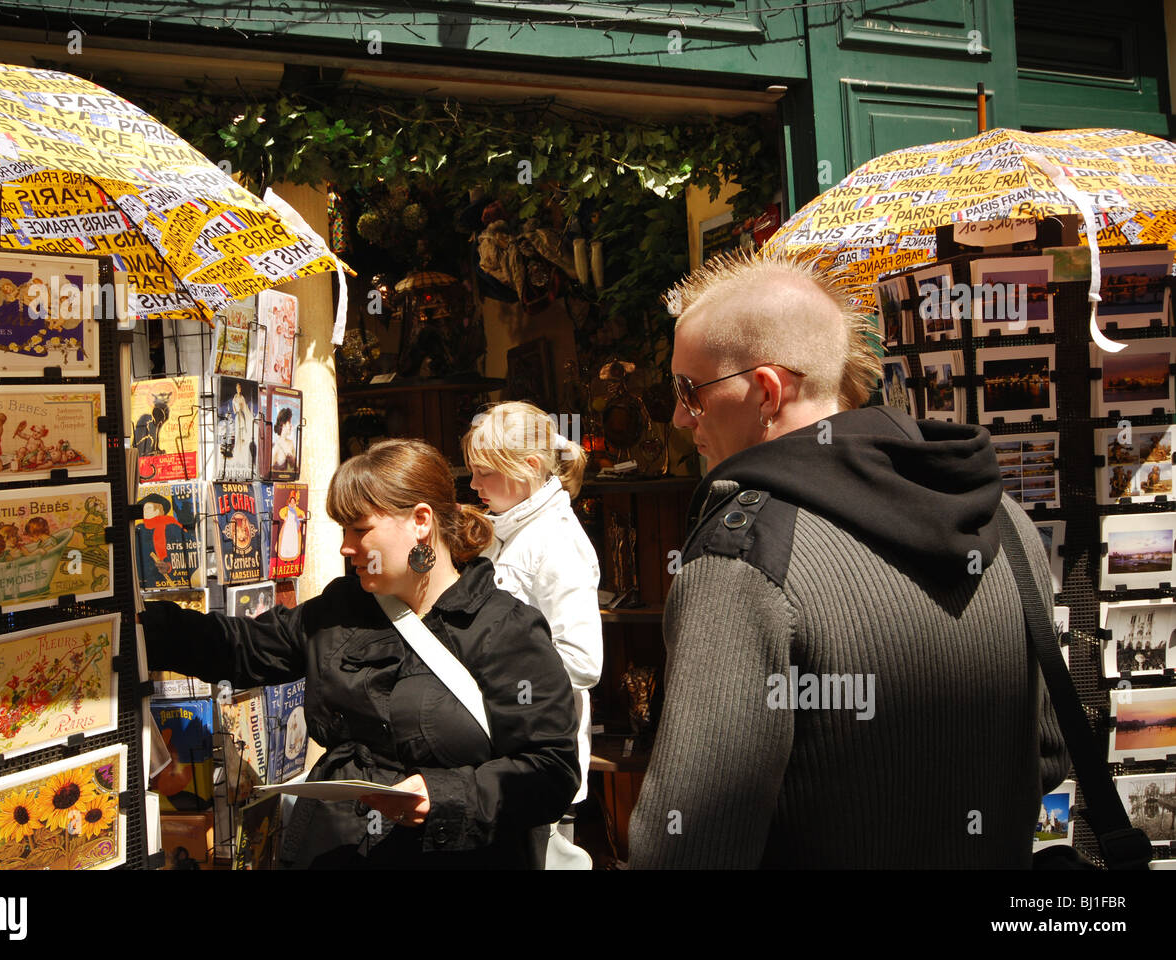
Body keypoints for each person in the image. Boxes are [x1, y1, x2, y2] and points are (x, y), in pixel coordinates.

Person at [627, 250, 1069, 869]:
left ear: (766, 392)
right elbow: (1047, 757)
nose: (678, 417)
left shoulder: (742, 561)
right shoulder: (1005, 522)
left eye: (687, 390)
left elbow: (690, 845)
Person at [140, 438, 580, 868]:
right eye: (343, 529)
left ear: (421, 521)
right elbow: (241, 648)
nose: (345, 547)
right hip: (333, 848)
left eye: (360, 529)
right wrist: (134, 624)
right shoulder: (340, 609)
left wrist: (443, 794)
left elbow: (550, 769)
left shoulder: (505, 630)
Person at [462, 400, 602, 870]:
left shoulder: (555, 539)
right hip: (509, 755)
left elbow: (583, 660)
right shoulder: (514, 530)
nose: (474, 484)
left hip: (541, 761)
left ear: (528, 467)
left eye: (484, 472)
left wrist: (494, 670)